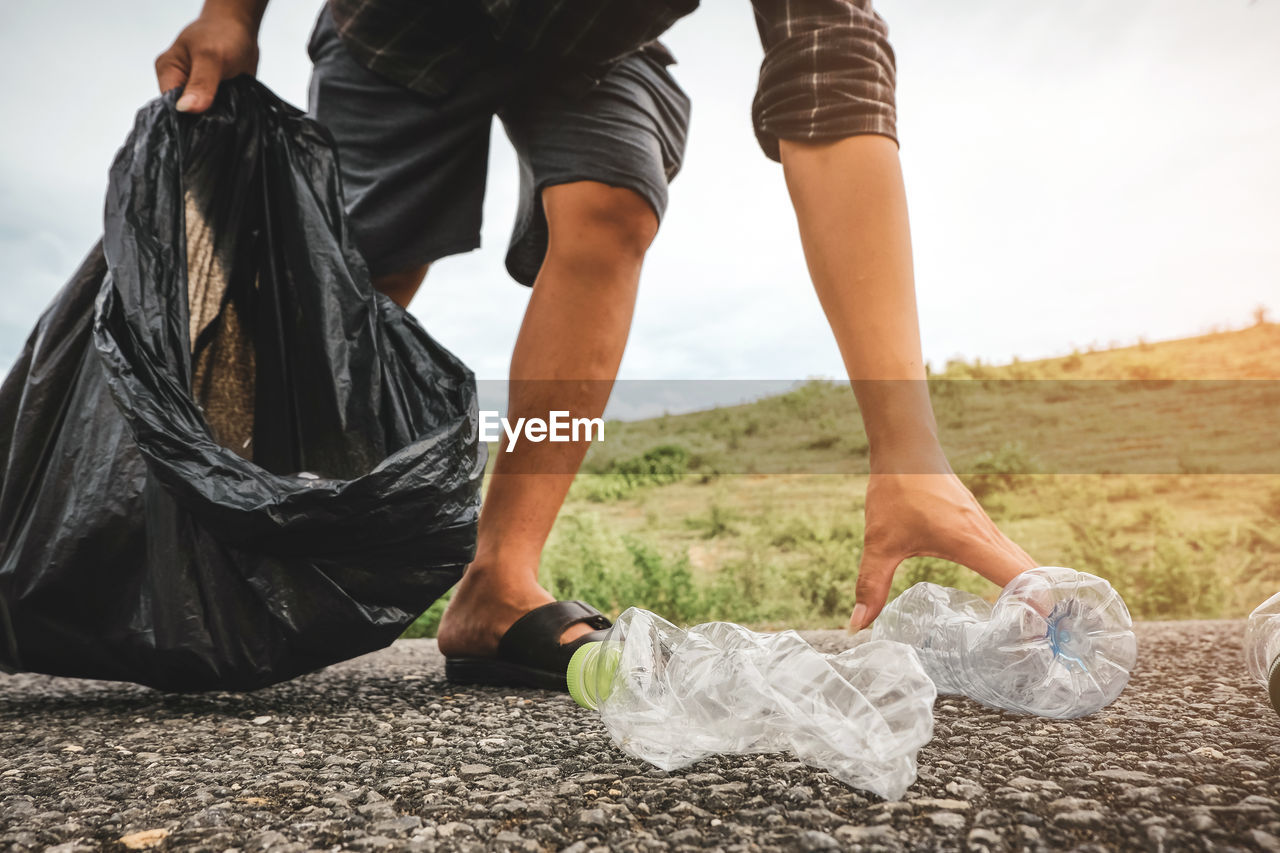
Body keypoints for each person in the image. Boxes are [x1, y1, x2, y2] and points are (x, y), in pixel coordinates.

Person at [156, 0, 1037, 690]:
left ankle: (500, 583)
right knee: (351, 287)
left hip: (597, 39)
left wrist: (908, 449)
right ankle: (217, 553)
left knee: (610, 204)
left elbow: (831, 72)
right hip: (403, 27)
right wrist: (232, 11)